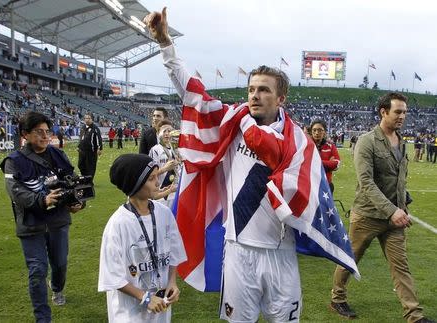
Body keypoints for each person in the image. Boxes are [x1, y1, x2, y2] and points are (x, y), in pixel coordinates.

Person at [144, 8, 351, 322]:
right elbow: (192, 93)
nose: (254, 95)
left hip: (281, 251)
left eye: (264, 90)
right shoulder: (232, 122)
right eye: (251, 89)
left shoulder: (299, 142)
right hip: (239, 248)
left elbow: (305, 192)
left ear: (281, 98)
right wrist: (165, 44)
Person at [330, 93, 435, 323]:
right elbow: (366, 182)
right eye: (398, 111)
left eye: (405, 112)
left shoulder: (401, 141)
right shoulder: (366, 141)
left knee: (401, 267)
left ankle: (414, 315)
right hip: (367, 215)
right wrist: (392, 211)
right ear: (383, 112)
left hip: (394, 218)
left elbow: (398, 178)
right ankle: (337, 298)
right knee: (350, 260)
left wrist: (402, 203)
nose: (402, 116)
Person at [0, 111, 84, 323]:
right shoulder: (14, 161)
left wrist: (76, 202)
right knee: (37, 270)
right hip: (31, 224)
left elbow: (72, 182)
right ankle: (43, 318)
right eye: (39, 132)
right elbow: (15, 191)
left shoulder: (58, 155)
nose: (45, 136)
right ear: (25, 134)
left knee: (60, 263)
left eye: (47, 131)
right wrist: (42, 200)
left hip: (58, 221)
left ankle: (56, 287)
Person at [98, 154, 186, 322]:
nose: (158, 183)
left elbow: (174, 252)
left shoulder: (164, 214)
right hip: (129, 314)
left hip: (161, 308)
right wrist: (145, 297)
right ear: (135, 184)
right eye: (152, 178)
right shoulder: (118, 224)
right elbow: (112, 276)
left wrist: (172, 282)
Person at [149, 120, 180, 208]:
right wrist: (164, 169)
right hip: (161, 194)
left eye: (169, 131)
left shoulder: (179, 150)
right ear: (159, 133)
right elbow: (149, 174)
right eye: (164, 131)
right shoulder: (155, 150)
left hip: (176, 192)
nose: (167, 134)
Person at [310, 120, 340, 193]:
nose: (317, 133)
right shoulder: (305, 145)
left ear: (325, 132)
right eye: (314, 130)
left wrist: (314, 162)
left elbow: (336, 164)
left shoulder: (330, 146)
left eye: (320, 130)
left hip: (326, 185)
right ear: (311, 132)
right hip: (309, 185)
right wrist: (328, 164)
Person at [77, 113, 102, 180]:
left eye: (88, 118)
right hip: (82, 150)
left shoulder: (95, 128)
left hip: (91, 151)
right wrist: (79, 146)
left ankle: (89, 180)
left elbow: (99, 139)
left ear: (92, 119)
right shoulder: (83, 127)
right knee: (80, 165)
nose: (87, 120)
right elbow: (81, 138)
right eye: (85, 118)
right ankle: (84, 177)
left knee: (90, 167)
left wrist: (99, 148)